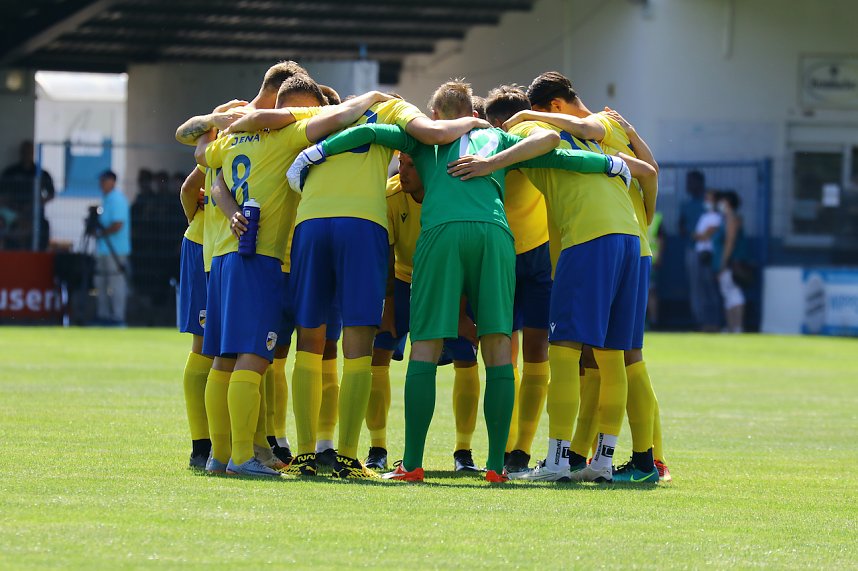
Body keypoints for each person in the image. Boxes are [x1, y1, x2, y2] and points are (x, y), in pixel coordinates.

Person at [288, 79, 635, 482]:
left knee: (427, 346)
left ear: (435, 114)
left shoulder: (421, 138)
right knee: (499, 346)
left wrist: (315, 152)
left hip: (441, 234)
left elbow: (365, 131)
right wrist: (610, 164)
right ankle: (494, 467)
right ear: (473, 112)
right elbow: (553, 146)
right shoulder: (497, 138)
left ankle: (412, 464)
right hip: (494, 234)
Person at [196, 75, 396, 478]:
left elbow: (203, 156)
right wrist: (373, 97)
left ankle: (220, 455)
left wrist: (219, 119)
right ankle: (241, 457)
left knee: (224, 358)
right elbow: (337, 116)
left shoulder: (233, 139)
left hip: (222, 258)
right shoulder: (286, 137)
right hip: (261, 256)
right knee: (254, 358)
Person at [501, 71, 657, 483]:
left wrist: (500, 148)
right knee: (616, 354)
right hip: (630, 237)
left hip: (588, 237)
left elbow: (546, 143)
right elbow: (649, 170)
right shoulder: (602, 133)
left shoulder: (533, 125)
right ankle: (605, 461)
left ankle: (557, 459)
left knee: (565, 350)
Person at [363, 152, 482, 473]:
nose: (402, 171)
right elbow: (385, 252)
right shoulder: (389, 194)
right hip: (402, 279)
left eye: (411, 166)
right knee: (379, 353)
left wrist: (460, 310)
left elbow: (464, 248)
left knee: (467, 359)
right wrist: (388, 303)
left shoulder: (448, 191)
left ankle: (463, 452)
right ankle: (377, 447)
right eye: (400, 164)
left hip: (448, 280)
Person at [483, 84, 554, 474]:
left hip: (538, 256)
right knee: (502, 355)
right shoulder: (481, 144)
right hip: (501, 253)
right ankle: (505, 447)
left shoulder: (530, 139)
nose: (496, 131)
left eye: (501, 124)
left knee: (537, 354)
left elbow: (547, 139)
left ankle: (521, 450)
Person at [0, 140, 55, 250]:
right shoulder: (10, 172)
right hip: (12, 211)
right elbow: (2, 195)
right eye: (24, 151)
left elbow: (51, 194)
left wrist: (35, 204)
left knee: (37, 229)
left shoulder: (40, 173)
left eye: (29, 151)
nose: (26, 154)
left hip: (33, 212)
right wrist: (13, 206)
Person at [94, 170, 130, 326]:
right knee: (100, 283)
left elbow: (118, 224)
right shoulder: (106, 199)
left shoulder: (117, 199)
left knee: (116, 283)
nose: (101, 183)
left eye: (104, 180)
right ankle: (103, 315)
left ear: (112, 181)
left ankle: (117, 316)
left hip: (116, 250)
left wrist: (101, 232)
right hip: (103, 249)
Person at [712, 191, 748, 333]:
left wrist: (723, 262)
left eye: (724, 202)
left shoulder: (732, 218)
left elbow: (730, 242)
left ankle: (737, 326)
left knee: (734, 293)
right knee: (727, 293)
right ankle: (731, 326)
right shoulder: (724, 218)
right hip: (724, 262)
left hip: (731, 263)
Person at [693, 190, 723, 332]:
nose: (707, 201)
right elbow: (696, 235)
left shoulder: (718, 217)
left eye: (709, 199)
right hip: (700, 254)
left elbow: (705, 235)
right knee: (703, 290)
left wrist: (702, 235)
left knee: (712, 290)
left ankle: (715, 323)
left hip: (709, 255)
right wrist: (701, 235)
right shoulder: (704, 216)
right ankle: (705, 323)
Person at [680, 170, 707, 329]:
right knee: (695, 286)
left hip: (709, 250)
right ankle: (700, 321)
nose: (688, 185)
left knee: (709, 286)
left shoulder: (708, 203)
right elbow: (681, 225)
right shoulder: (686, 204)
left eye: (691, 182)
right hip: (691, 249)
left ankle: (712, 321)